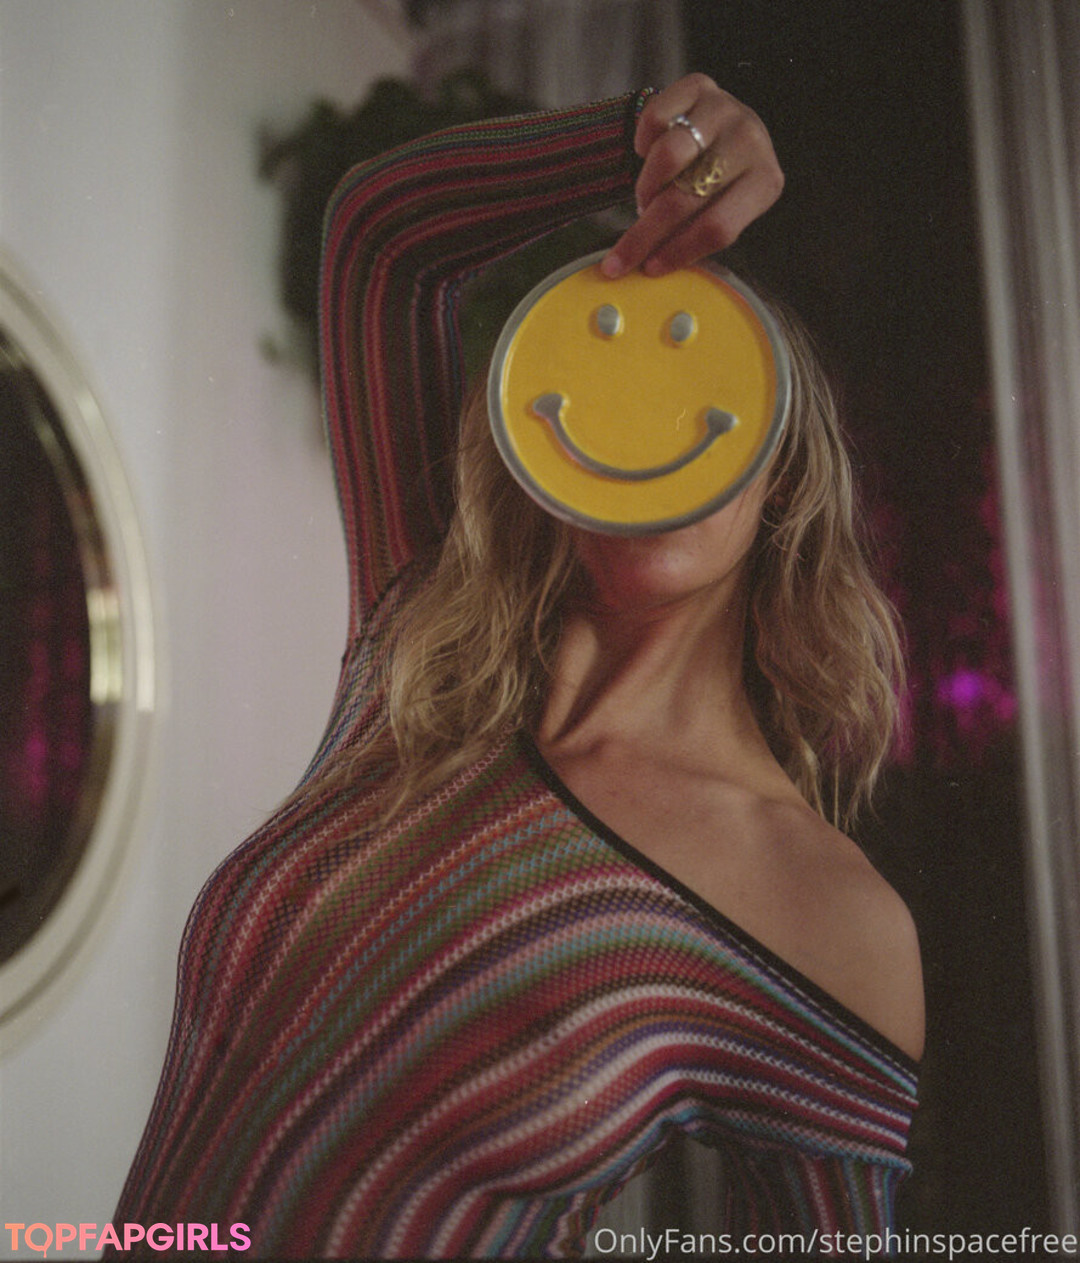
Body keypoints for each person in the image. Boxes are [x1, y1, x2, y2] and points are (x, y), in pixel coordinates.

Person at [112, 74, 923, 1258]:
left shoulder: (824, 913)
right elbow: (381, 235)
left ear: (784, 464)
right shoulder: (418, 660)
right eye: (604, 378)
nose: (643, 420)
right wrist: (649, 145)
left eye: (695, 380)